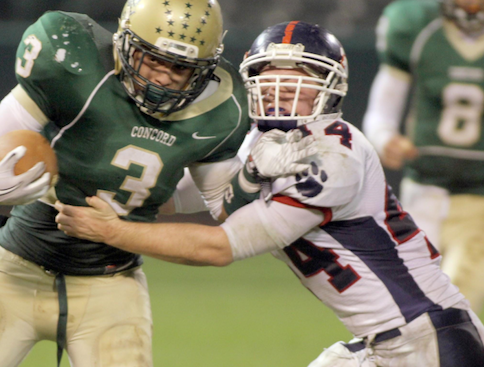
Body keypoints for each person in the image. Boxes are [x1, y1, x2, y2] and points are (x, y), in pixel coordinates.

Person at [55, 21, 484, 366]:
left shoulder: (336, 154)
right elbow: (167, 194)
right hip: (387, 341)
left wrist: (112, 231)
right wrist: (90, 173)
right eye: (269, 74)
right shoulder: (259, 144)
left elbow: (219, 246)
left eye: (301, 75)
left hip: (429, 341)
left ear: (331, 87)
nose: (280, 86)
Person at [0, 0, 258, 367]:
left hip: (111, 283)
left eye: (180, 68)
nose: (162, 77)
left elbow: (221, 204)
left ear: (204, 70)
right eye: (153, 58)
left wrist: (256, 170)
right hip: (16, 266)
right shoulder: (73, 62)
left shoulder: (221, 108)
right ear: (124, 42)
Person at [362, 0, 484, 316]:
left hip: (479, 198)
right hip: (423, 190)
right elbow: (381, 111)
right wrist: (386, 139)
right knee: (404, 304)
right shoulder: (416, 27)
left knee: (458, 305)